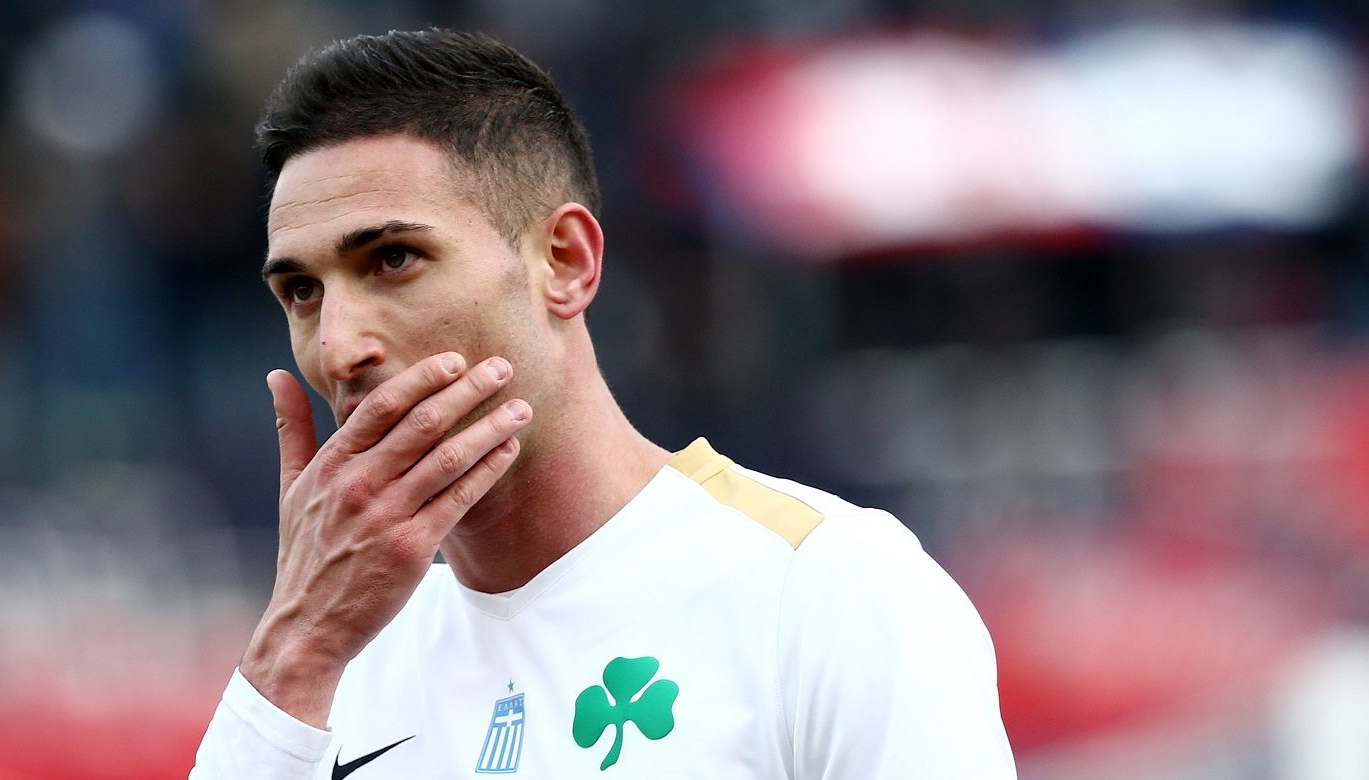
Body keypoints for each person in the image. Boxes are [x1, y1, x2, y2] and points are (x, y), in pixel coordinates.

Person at [191, 28, 1014, 779]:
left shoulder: (826, 587)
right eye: (302, 291)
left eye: (394, 259)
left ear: (566, 262)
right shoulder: (328, 670)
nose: (338, 349)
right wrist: (294, 651)